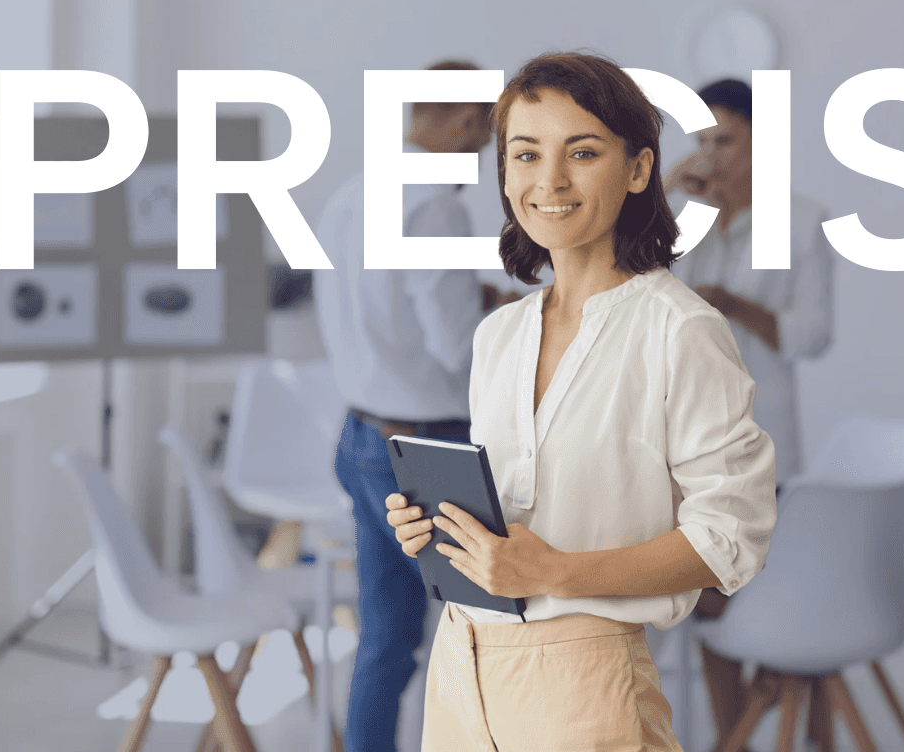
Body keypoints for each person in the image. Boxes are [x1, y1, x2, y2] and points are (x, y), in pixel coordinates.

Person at [384, 51, 779, 751]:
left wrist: (558, 572)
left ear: (637, 169)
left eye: (583, 152)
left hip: (585, 678)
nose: (550, 181)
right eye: (526, 155)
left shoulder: (679, 329)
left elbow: (730, 537)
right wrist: (440, 532)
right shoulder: (499, 335)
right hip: (460, 668)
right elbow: (515, 513)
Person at [314, 59, 518, 752]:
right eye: (487, 141)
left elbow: (383, 314)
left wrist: (474, 299)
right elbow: (458, 350)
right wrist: (521, 323)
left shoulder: (354, 192)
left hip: (362, 437)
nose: (483, 158)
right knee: (487, 632)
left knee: (387, 640)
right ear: (466, 122)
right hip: (422, 452)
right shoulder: (432, 203)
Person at [663, 78, 833, 743]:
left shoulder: (803, 222)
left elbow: (814, 334)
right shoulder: (683, 223)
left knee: (778, 604)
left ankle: (803, 725)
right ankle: (734, 734)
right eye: (702, 141)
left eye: (725, 140)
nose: (712, 154)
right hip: (690, 445)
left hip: (766, 444)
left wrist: (737, 306)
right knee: (710, 601)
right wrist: (662, 197)